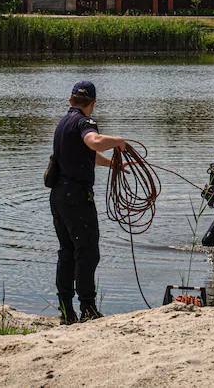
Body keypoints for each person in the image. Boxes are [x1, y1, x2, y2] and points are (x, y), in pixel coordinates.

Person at [49, 81, 127, 325]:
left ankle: (66, 310)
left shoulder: (63, 123)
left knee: (67, 251)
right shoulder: (85, 122)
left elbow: (84, 153)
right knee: (87, 252)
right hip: (77, 198)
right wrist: (118, 141)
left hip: (58, 196)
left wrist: (112, 164)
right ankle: (88, 308)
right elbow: (93, 141)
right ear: (92, 103)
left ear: (71, 100)